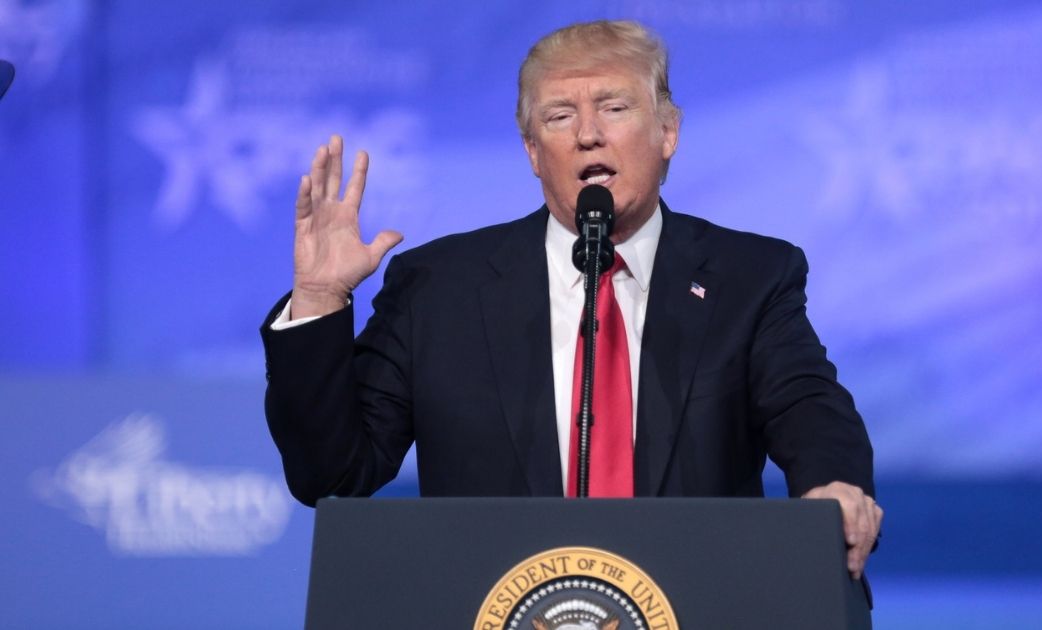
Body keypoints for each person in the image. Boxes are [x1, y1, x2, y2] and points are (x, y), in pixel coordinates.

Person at [261, 20, 882, 578]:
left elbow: (807, 404)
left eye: (614, 107)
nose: (588, 134)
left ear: (668, 132)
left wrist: (834, 485)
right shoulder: (438, 288)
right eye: (558, 117)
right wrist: (318, 298)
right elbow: (332, 473)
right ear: (533, 152)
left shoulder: (749, 276)